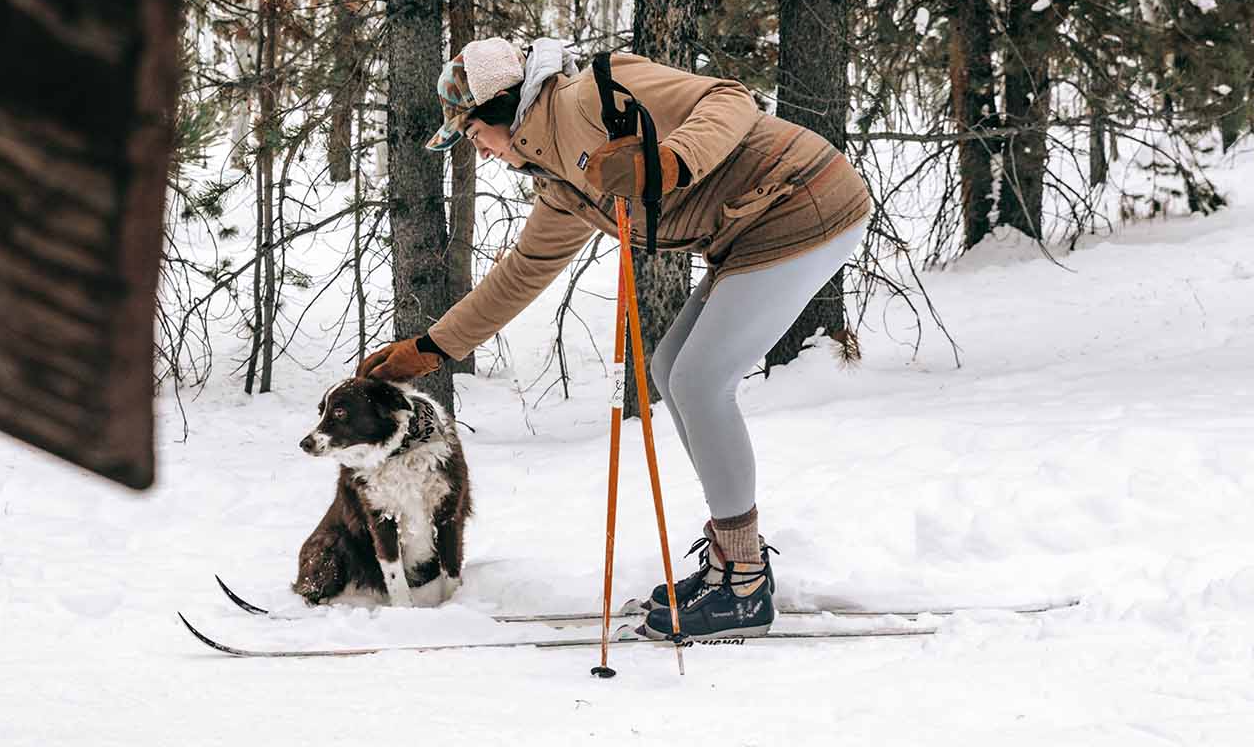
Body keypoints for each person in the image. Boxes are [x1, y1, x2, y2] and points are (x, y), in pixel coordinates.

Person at [357, 36, 871, 639]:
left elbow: (731, 101)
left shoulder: (590, 96)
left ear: (500, 109)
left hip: (803, 200)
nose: (481, 150)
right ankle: (734, 560)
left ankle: (746, 583)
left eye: (473, 133)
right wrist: (433, 347)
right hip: (750, 230)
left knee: (701, 381)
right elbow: (524, 270)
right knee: (674, 370)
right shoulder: (559, 182)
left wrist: (672, 160)